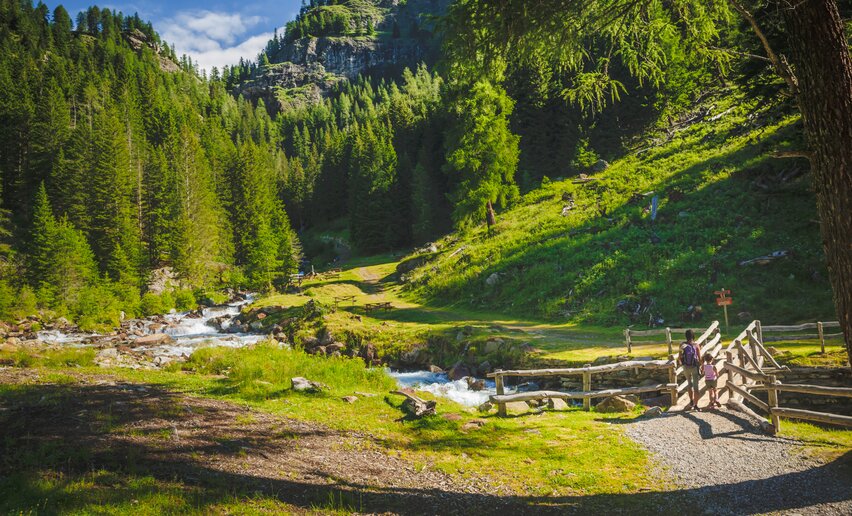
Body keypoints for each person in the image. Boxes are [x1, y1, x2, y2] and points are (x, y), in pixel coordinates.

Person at [678, 329, 702, 411]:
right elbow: (700, 358)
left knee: (689, 383)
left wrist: (681, 363)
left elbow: (679, 357)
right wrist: (701, 367)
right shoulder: (696, 345)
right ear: (693, 336)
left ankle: (691, 400)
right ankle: (696, 405)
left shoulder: (682, 345)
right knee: (696, 387)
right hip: (694, 367)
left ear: (686, 336)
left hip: (686, 367)